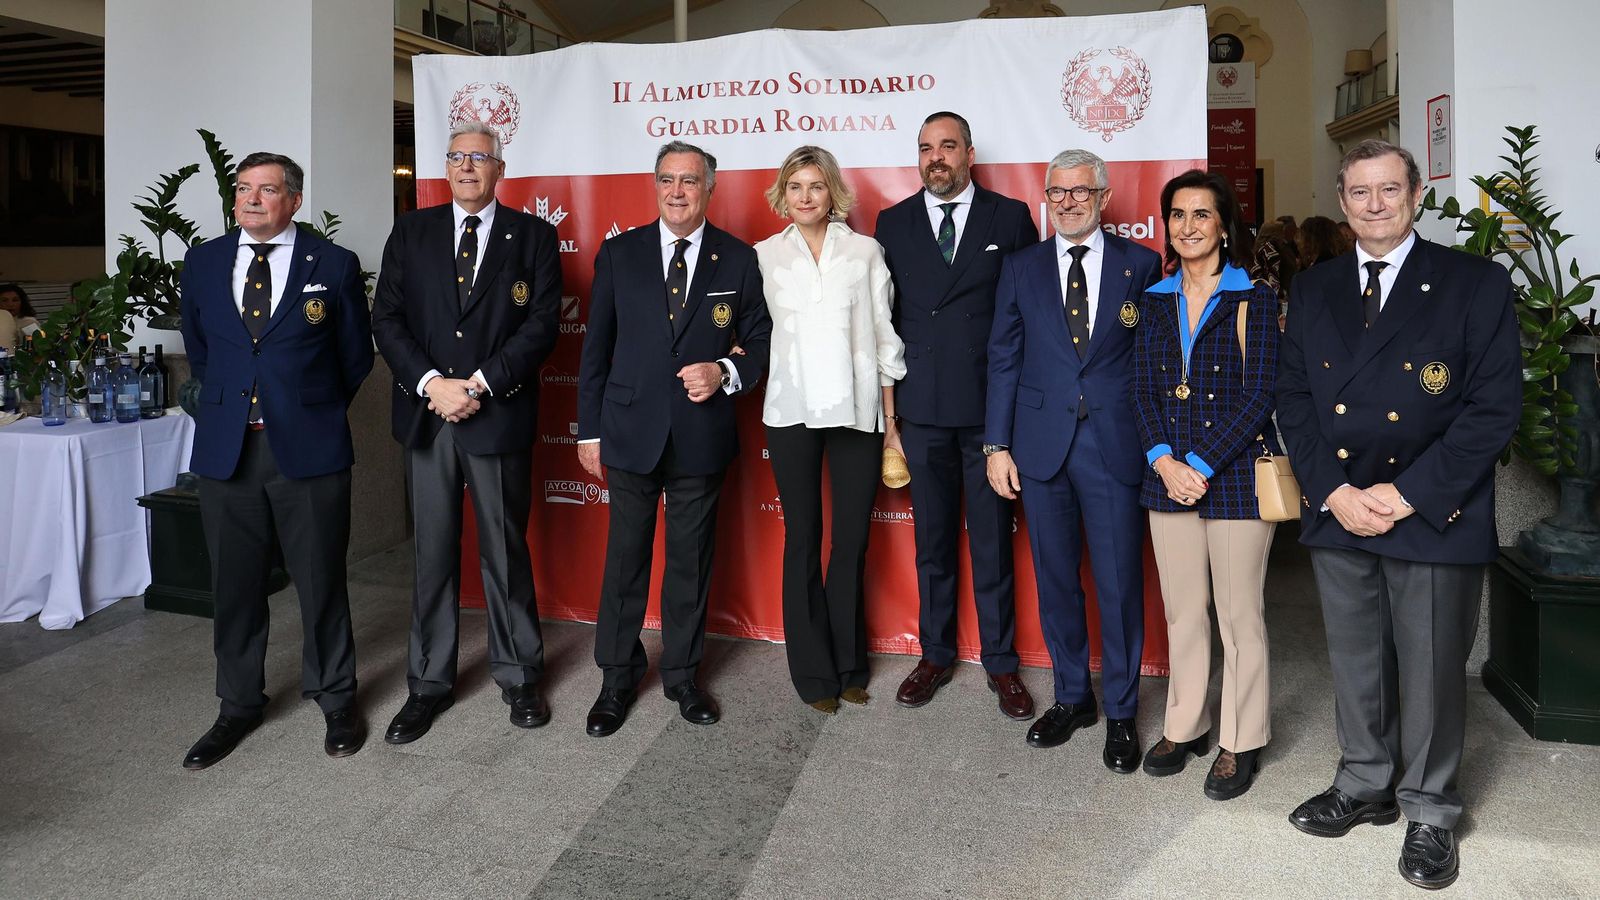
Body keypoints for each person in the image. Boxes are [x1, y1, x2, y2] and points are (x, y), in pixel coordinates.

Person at [1278, 140, 1520, 890]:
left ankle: (1430, 810)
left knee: (1432, 667)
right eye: (1359, 193)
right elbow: (1294, 398)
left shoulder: (1473, 283)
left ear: (1416, 196)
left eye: (1389, 190)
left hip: (1431, 507)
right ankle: (1364, 783)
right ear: (1343, 202)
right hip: (1341, 507)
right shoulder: (1313, 287)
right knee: (1356, 659)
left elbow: (1492, 410)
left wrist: (1407, 494)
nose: (1374, 205)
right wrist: (1334, 492)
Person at [177, 152, 374, 768]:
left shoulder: (333, 265)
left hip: (307, 450)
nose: (252, 200)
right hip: (228, 450)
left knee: (320, 580)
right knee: (234, 586)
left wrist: (307, 410)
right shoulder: (204, 262)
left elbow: (354, 357)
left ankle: (336, 696)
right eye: (242, 190)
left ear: (293, 199)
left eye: (266, 190)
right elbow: (202, 351)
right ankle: (237, 704)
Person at [371, 120, 562, 743]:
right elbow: (388, 319)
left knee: (504, 550)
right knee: (431, 554)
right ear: (445, 167)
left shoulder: (533, 236)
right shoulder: (412, 231)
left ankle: (519, 675)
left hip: (496, 412)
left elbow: (540, 327)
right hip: (428, 418)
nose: (468, 167)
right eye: (457, 157)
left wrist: (477, 384)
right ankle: (428, 683)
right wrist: (433, 384)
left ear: (500, 169)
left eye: (480, 158)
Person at [576, 141, 772, 736]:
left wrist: (725, 372)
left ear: (710, 188)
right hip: (629, 431)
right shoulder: (618, 253)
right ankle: (615, 679)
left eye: (690, 180)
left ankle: (683, 676)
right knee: (625, 561)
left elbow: (760, 340)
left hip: (700, 433)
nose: (678, 191)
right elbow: (596, 350)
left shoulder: (738, 258)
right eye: (667, 180)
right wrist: (589, 432)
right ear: (654, 186)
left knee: (689, 563)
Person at [984, 148, 1161, 769]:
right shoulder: (1021, 268)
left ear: (1103, 196)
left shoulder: (1143, 264)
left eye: (1079, 191)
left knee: (1118, 586)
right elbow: (1003, 357)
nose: (1066, 201)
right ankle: (1072, 696)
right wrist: (996, 445)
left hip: (1114, 445)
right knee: (1056, 580)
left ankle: (1119, 712)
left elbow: (1154, 362)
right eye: (1056, 191)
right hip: (1038, 448)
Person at [874, 111, 1038, 719]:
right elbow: (883, 323)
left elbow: (1024, 318)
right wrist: (889, 417)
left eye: (947, 146)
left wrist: (1011, 418)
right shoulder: (892, 223)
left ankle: (1001, 663)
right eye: (925, 148)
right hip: (920, 409)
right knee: (932, 541)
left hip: (989, 413)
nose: (935, 157)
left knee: (993, 541)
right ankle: (935, 655)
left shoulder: (1009, 217)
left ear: (969, 152)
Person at [1131, 169, 1280, 798]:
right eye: (1177, 215)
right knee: (1182, 611)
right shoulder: (1155, 298)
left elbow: (1260, 395)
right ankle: (1186, 723)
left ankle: (1241, 740)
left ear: (1224, 225)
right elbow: (1139, 389)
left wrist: (1201, 464)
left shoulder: (1256, 298)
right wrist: (1165, 460)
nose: (1188, 227)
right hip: (1167, 478)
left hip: (1236, 478)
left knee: (1239, 614)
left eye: (1201, 215)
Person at [754, 145, 906, 714]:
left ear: (832, 191)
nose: (806, 196)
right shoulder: (765, 256)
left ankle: (849, 666)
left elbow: (886, 337)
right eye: (795, 186)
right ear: (783, 193)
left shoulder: (866, 252)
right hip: (790, 412)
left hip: (857, 412)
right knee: (802, 540)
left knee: (851, 543)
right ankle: (812, 672)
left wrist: (891, 424)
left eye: (816, 186)